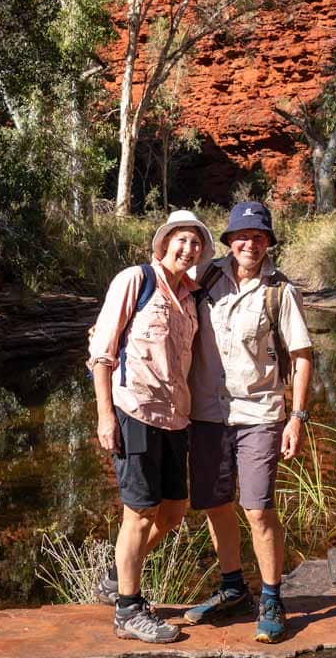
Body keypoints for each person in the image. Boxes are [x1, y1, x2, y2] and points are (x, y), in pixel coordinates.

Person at [183, 200, 314, 644]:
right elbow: (159, 303)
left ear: (268, 242)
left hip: (259, 413)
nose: (249, 244)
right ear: (229, 240)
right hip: (206, 413)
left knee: (257, 508)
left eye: (258, 237)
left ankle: (273, 597)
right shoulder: (204, 278)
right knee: (216, 503)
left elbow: (300, 357)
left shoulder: (281, 291)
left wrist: (296, 418)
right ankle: (233, 587)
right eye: (242, 236)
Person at [86, 209, 215, 644]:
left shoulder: (192, 297)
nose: (187, 248)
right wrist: (105, 416)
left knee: (174, 512)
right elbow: (101, 352)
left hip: (175, 417)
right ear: (164, 242)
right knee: (139, 513)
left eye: (195, 243)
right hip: (134, 410)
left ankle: (115, 576)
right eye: (181, 239)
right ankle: (127, 610)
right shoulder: (134, 281)